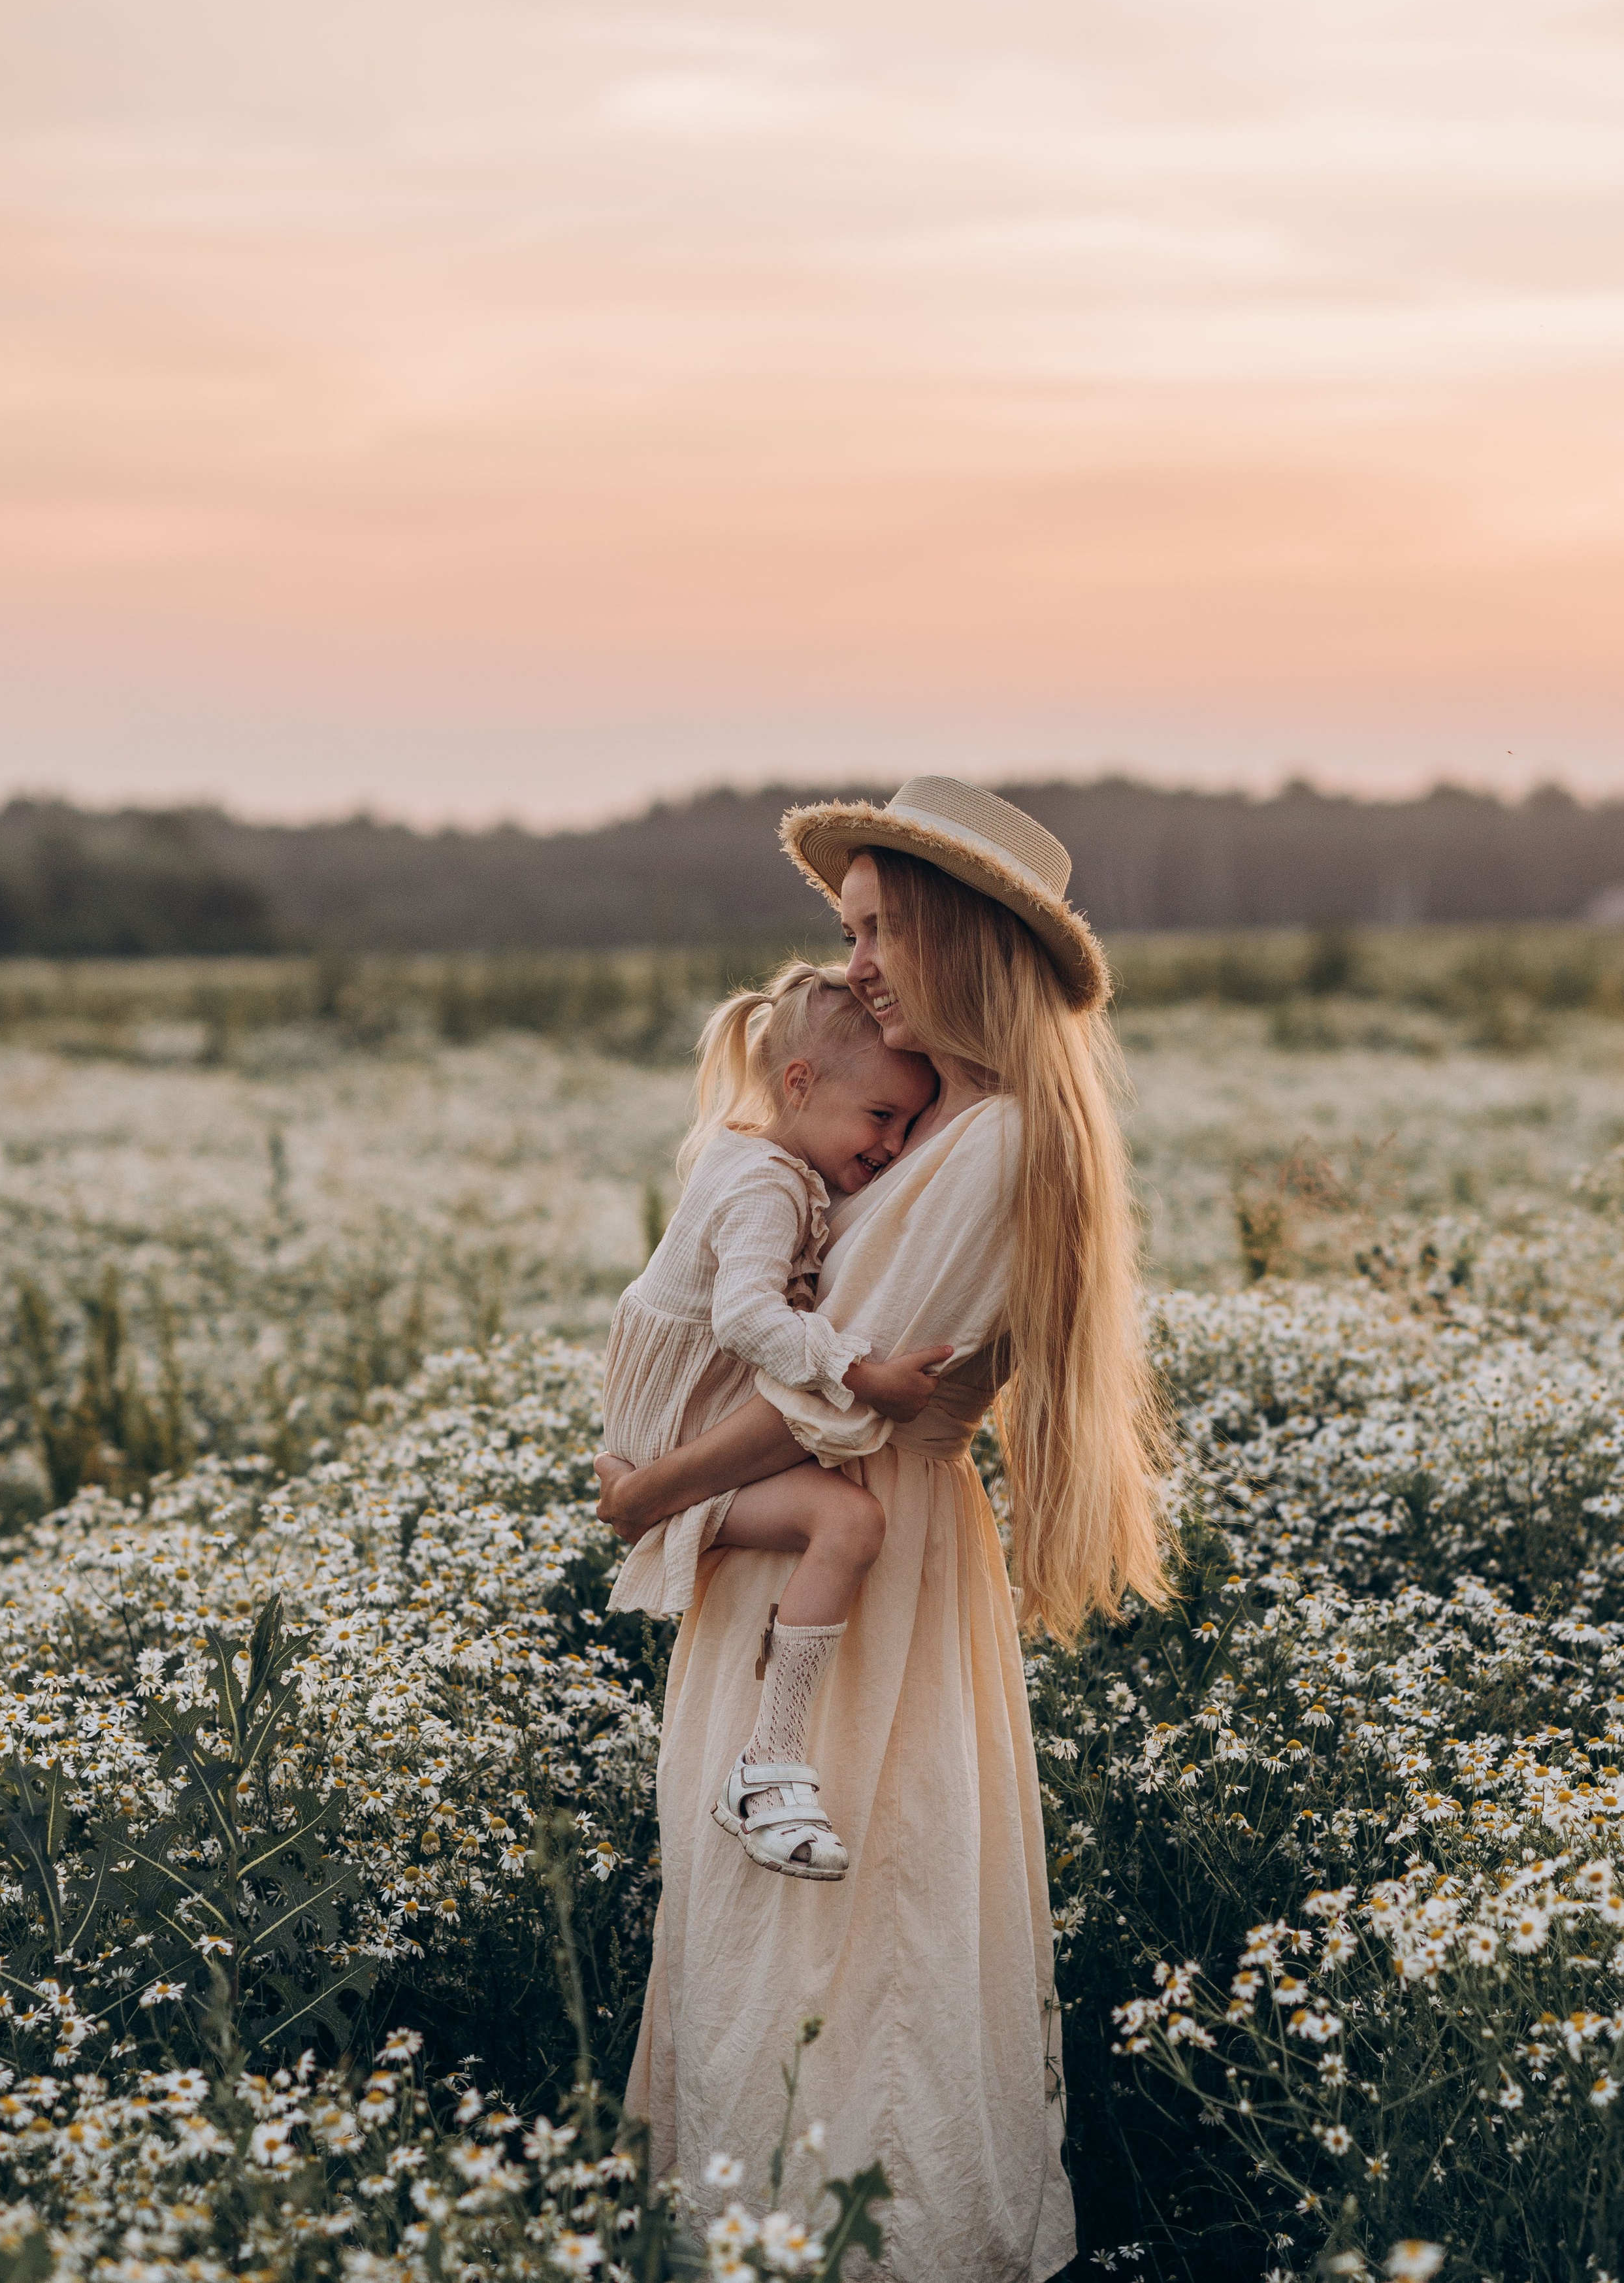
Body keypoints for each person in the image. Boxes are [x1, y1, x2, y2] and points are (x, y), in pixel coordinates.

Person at [596, 777, 1173, 2282]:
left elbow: (828, 1408)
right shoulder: (942, 1120)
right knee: (812, 1920)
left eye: (877, 930)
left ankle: (860, 2247)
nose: (852, 963)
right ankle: (777, 2228)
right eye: (846, 931)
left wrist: (655, 1492)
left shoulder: (983, 1143)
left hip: (860, 1553)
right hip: (832, 1550)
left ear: (963, 939)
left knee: (847, 1932)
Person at [600, 960, 950, 1879]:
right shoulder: (767, 1185)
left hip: (678, 1414)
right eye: (881, 1117)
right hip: (682, 1429)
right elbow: (746, 1319)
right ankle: (769, 1766)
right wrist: (860, 1372)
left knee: (841, 1516)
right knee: (849, 1519)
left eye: (911, 1125)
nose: (893, 1144)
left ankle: (772, 1759)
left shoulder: (759, 1149)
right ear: (799, 1083)